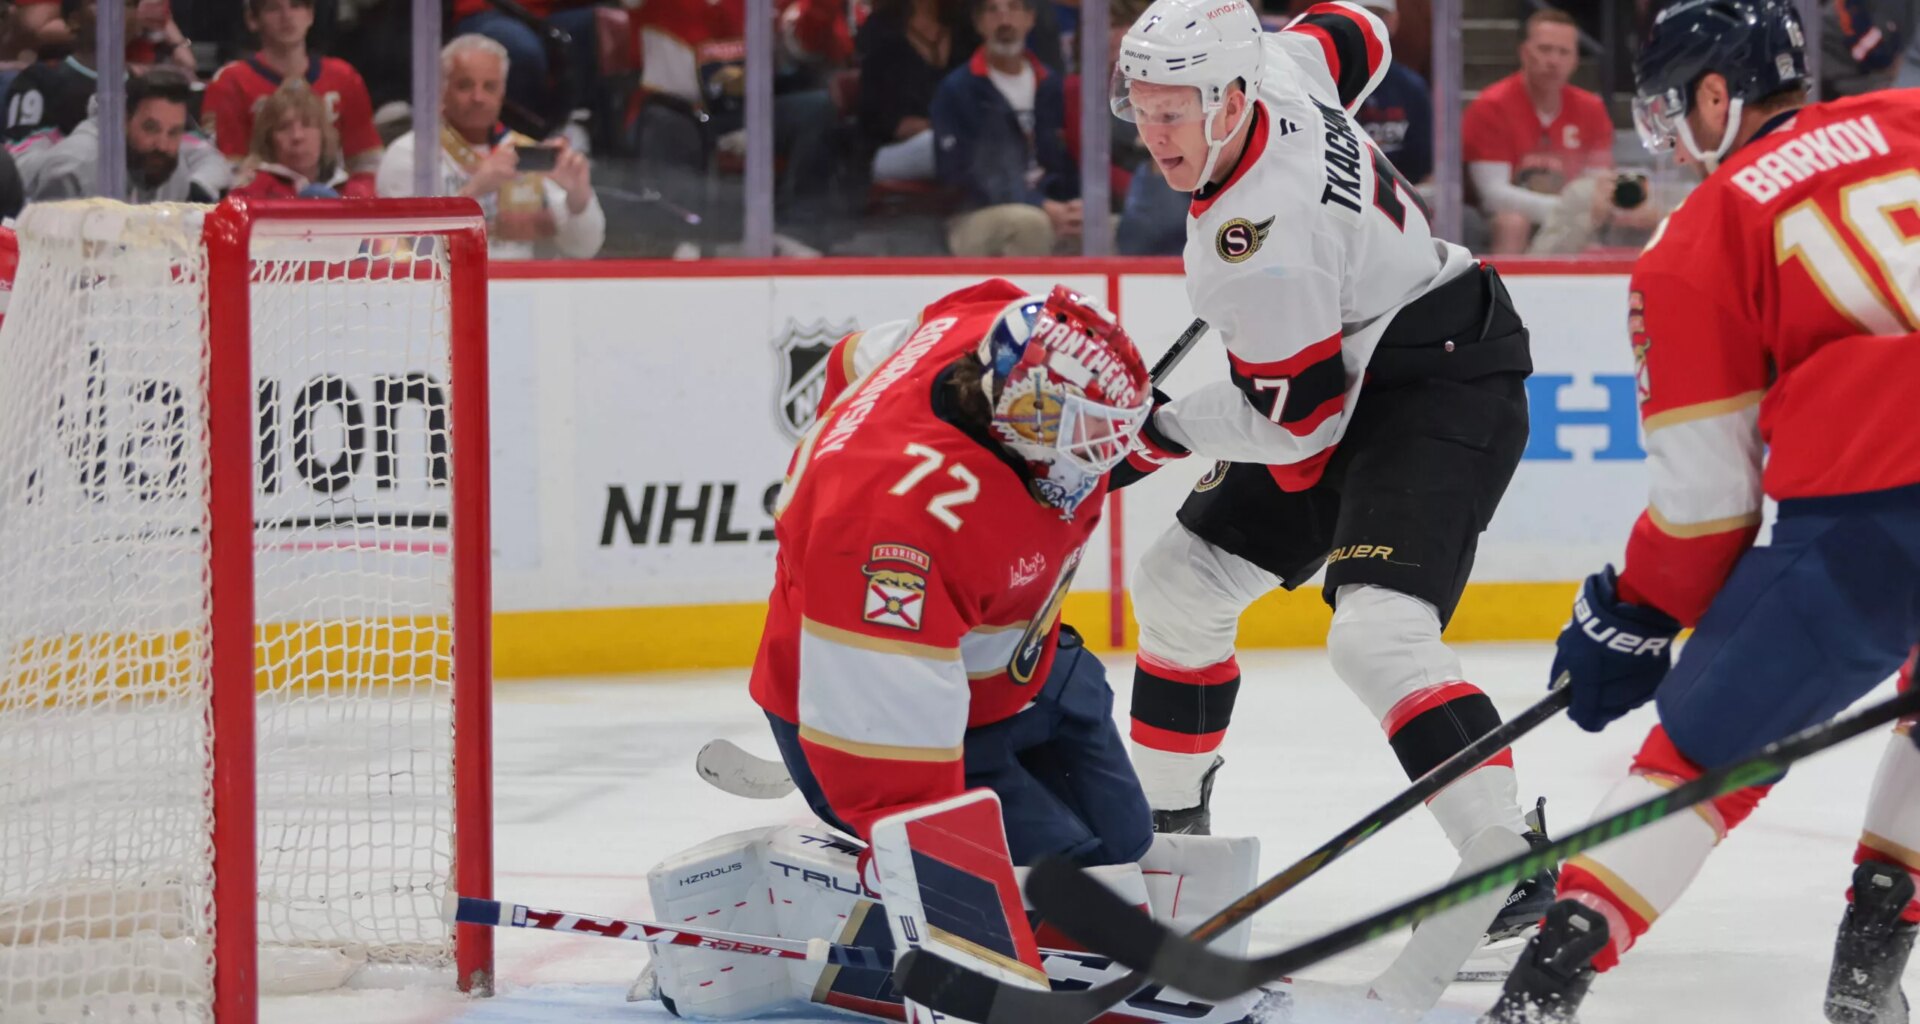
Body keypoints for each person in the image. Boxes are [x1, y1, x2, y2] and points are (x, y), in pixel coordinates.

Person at [1480, 2, 1920, 1021]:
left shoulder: (1700, 234)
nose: (1670, 137)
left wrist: (1633, 613)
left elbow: (1707, 508)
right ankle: (1874, 953)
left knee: (1701, 752)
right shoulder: (1908, 116)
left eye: (1674, 108)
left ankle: (1543, 987)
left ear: (1719, 94)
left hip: (1875, 511)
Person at [1106, 0, 1555, 946]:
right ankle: (1170, 841)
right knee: (1180, 584)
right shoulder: (1278, 64)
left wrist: (1153, 434)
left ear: (1231, 99)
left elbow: (1295, 429)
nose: (1154, 133)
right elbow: (1363, 29)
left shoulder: (1257, 245)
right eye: (1141, 107)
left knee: (1378, 632)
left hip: (1440, 378)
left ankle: (1509, 865)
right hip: (1348, 361)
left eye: (1173, 110)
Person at [376, 34, 604, 261]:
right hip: (448, 282)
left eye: (490, 87)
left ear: (502, 92)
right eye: (465, 85)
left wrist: (579, 197)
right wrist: (475, 190)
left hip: (525, 281)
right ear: (441, 90)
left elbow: (584, 249)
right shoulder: (410, 153)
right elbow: (413, 251)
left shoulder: (525, 152)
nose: (478, 97)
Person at [931, 0, 1080, 256]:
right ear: (978, 23)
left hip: (1049, 205)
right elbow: (961, 176)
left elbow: (1068, 158)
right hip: (975, 215)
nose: (1004, 20)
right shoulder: (958, 90)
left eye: (1013, 8)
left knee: (1104, 226)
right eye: (993, 10)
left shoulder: (1050, 84)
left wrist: (1075, 205)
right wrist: (1040, 204)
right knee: (1030, 224)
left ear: (1030, 18)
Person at [1461, 9, 1617, 253]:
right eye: (1545, 49)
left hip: (1570, 218)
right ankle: (1502, 279)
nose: (1553, 60)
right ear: (1524, 52)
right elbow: (1492, 195)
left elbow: (1596, 186)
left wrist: (1578, 212)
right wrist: (1566, 211)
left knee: (1596, 235)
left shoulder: (1592, 109)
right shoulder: (1490, 106)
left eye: (1563, 52)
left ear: (1575, 60)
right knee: (1512, 223)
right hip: (1505, 219)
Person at [203, 0, 384, 195]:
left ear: (311, 14)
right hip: (262, 198)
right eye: (273, 8)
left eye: (296, 5)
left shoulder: (344, 77)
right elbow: (228, 170)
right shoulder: (231, 82)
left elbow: (367, 164)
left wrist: (348, 200)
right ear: (252, 19)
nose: (287, 16)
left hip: (336, 197)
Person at [29, 66, 229, 202]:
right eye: (151, 128)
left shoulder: (174, 171)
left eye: (174, 132)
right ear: (124, 120)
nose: (162, 145)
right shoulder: (74, 168)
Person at [231, 78, 368, 199]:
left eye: (307, 125)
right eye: (284, 127)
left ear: (323, 134)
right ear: (269, 140)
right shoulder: (251, 193)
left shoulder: (354, 192)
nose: (297, 136)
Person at [1352, 0, 1432, 185]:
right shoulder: (1326, 82)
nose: (1372, 24)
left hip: (1399, 192)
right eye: (1363, 15)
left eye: (1379, 16)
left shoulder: (1412, 87)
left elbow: (1423, 164)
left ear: (1394, 21)